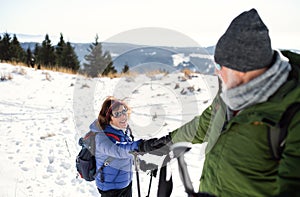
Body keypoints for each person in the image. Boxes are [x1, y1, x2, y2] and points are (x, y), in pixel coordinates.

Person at [138, 8, 300, 196]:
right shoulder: (228, 97)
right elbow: (201, 126)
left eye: (221, 66)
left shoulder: (292, 114)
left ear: (241, 69)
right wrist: (165, 142)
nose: (218, 72)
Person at [90, 96, 156, 197]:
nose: (123, 116)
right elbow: (119, 150)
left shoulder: (124, 130)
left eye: (124, 111)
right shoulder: (102, 137)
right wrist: (141, 145)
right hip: (110, 188)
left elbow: (129, 152)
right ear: (109, 118)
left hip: (125, 183)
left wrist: (144, 164)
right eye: (117, 114)